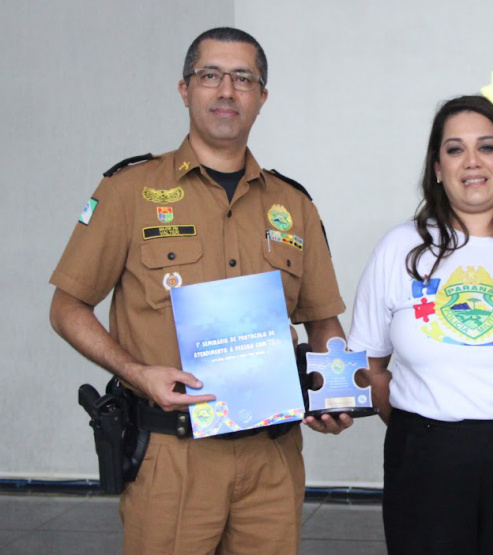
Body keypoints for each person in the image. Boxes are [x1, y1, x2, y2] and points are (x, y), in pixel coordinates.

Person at [49, 27, 351, 554]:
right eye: (210, 75)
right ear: (185, 89)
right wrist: (137, 373)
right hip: (172, 454)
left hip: (271, 460)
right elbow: (67, 306)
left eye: (243, 78)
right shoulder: (128, 193)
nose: (226, 91)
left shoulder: (293, 205)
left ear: (262, 97)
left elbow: (322, 321)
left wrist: (336, 394)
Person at [348, 95, 493, 554]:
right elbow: (369, 363)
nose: (472, 161)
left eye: (487, 147)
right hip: (424, 456)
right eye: (455, 149)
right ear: (437, 167)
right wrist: (418, 431)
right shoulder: (400, 247)